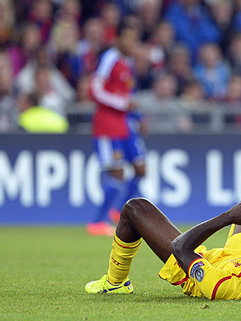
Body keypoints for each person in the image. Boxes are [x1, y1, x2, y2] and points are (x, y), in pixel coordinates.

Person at [85, 194, 241, 300]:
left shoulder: (219, 285)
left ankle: (115, 283)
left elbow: (181, 247)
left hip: (196, 261)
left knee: (135, 208)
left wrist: (228, 217)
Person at [88, 21, 146, 236]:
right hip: (107, 124)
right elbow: (94, 89)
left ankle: (116, 210)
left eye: (135, 39)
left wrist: (138, 115)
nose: (132, 43)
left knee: (141, 169)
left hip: (125, 123)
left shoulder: (126, 62)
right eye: (129, 38)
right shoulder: (109, 58)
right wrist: (122, 105)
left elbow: (126, 95)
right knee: (117, 172)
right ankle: (96, 222)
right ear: (119, 39)